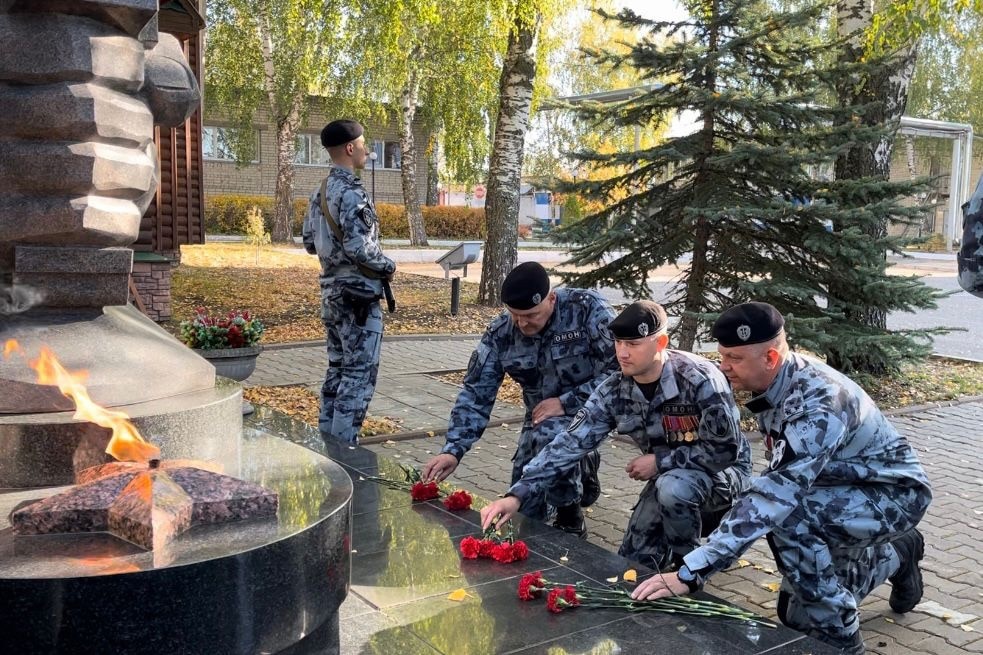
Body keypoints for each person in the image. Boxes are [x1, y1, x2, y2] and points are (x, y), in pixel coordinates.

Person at [630, 302, 932, 655]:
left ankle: (843, 643)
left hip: (893, 496)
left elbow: (774, 497)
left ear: (770, 358)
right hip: (835, 488)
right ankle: (898, 554)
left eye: (735, 358)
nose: (723, 367)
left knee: (791, 521)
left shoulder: (816, 404)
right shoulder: (776, 380)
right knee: (796, 616)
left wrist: (692, 571)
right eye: (722, 355)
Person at [480, 300, 752, 571]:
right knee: (633, 565)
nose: (622, 352)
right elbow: (569, 443)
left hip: (723, 476)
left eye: (633, 344)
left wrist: (659, 462)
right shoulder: (614, 390)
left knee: (673, 488)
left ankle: (690, 567)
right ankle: (672, 549)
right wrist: (516, 495)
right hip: (669, 478)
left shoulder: (700, 379)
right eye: (619, 342)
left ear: (660, 343)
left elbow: (725, 450)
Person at [422, 262, 616, 535]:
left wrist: (566, 402)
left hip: (592, 410)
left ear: (552, 298)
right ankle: (581, 467)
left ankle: (570, 514)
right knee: (525, 511)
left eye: (531, 315)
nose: (522, 323)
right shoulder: (501, 332)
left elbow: (619, 373)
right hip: (538, 416)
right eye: (515, 315)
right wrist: (453, 449)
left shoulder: (586, 310)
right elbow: (477, 392)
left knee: (550, 436)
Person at [302, 119, 396, 444]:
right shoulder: (353, 192)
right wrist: (388, 265)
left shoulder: (320, 191)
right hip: (358, 299)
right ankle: (345, 455)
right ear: (350, 148)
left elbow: (309, 242)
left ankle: (328, 448)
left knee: (337, 372)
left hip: (330, 296)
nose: (368, 151)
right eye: (364, 144)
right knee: (357, 378)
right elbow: (360, 248)